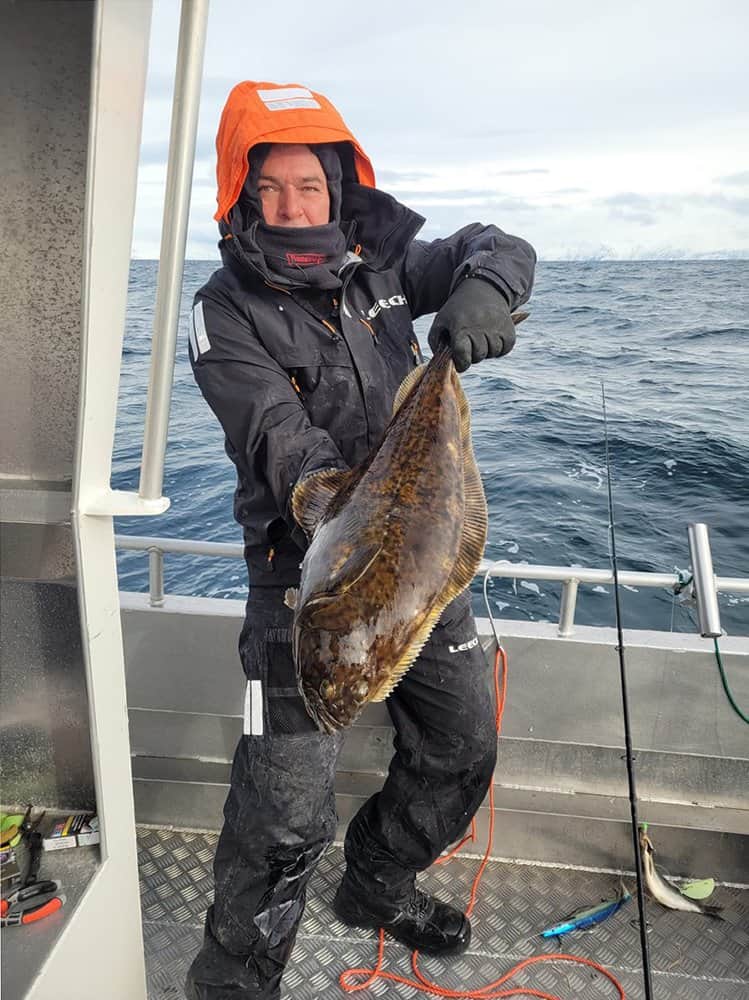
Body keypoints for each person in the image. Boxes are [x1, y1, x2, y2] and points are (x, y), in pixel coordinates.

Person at [185, 80, 536, 1000]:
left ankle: (377, 886)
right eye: (273, 188)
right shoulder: (223, 312)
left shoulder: (381, 273)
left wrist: (484, 294)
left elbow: (495, 243)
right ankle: (231, 986)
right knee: (281, 818)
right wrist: (331, 508)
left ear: (339, 186)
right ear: (243, 196)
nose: (294, 204)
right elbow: (274, 437)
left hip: (422, 570)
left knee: (462, 748)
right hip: (307, 577)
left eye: (311, 183)